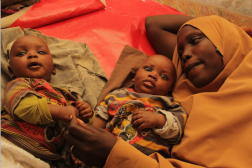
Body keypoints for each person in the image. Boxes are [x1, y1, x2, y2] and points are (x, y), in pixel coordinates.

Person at [64, 14, 252, 168]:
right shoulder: (186, 83)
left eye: (195, 40)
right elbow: (154, 25)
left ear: (227, 41)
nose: (185, 55)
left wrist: (116, 157)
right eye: (180, 53)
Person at [1, 36, 93, 162]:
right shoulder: (19, 84)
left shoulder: (65, 96)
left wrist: (86, 114)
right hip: (9, 144)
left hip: (43, 159)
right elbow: (25, 108)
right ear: (11, 71)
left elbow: (87, 127)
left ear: (53, 68)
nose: (32, 55)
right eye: (22, 53)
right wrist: (62, 112)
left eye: (41, 52)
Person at [93, 54, 187, 157]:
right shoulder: (117, 95)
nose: (153, 75)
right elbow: (101, 116)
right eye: (148, 69)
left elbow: (177, 130)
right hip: (107, 154)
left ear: (170, 89)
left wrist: (158, 119)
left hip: (144, 161)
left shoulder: (168, 104)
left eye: (163, 76)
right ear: (134, 76)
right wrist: (90, 142)